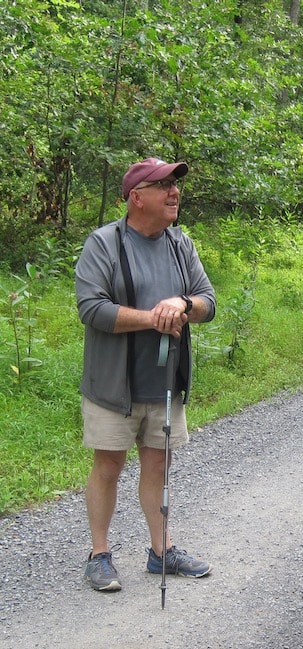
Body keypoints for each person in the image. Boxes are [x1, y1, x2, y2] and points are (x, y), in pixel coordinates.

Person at [75, 157, 216, 592]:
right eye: (162, 185)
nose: (174, 192)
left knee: (158, 465)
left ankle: (161, 552)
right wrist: (154, 317)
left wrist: (185, 305)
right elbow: (91, 308)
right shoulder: (103, 244)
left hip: (165, 381)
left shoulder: (180, 244)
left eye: (175, 184)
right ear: (136, 197)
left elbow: (207, 301)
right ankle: (99, 556)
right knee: (108, 466)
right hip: (113, 384)